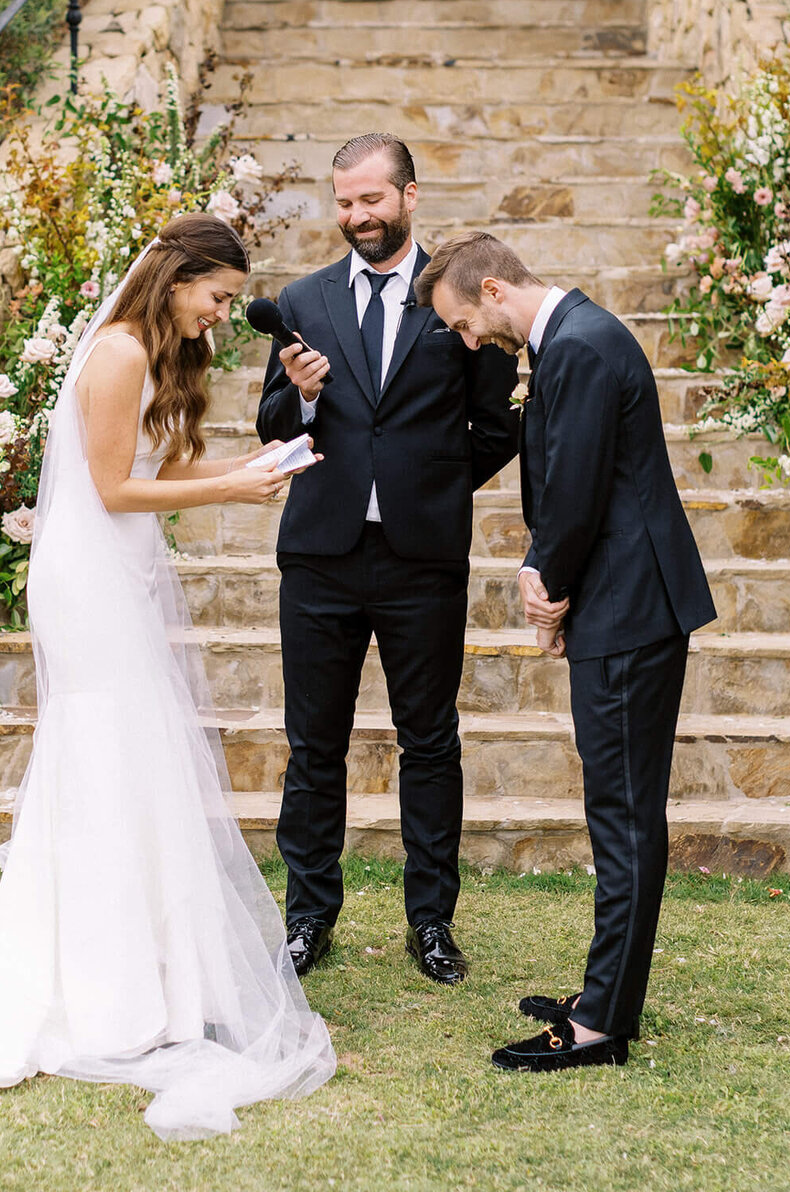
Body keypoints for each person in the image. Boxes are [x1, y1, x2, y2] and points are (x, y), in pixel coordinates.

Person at [0, 213, 336, 1140]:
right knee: (105, 752)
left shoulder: (162, 354)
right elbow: (111, 488)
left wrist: (254, 463)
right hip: (86, 577)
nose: (219, 318)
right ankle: (101, 985)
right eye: (215, 298)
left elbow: (163, 463)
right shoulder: (119, 353)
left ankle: (150, 977)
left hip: (118, 567)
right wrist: (226, 491)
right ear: (177, 279)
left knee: (132, 758)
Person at [416, 231, 716, 1074]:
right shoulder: (575, 338)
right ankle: (603, 996)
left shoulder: (580, 349)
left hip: (627, 607)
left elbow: (576, 492)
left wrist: (543, 585)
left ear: (493, 293)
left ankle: (600, 1026)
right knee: (618, 812)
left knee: (622, 819)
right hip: (624, 603)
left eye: (465, 326)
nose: (468, 343)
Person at [255, 136, 520, 985]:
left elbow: (497, 426)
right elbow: (272, 429)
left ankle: (432, 924)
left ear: (410, 195)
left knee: (431, 744)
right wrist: (299, 395)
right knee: (313, 747)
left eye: (372, 200)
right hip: (320, 560)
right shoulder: (303, 299)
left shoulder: (456, 296)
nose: (357, 217)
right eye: (344, 203)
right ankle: (308, 919)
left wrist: (437, 488)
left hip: (422, 560)